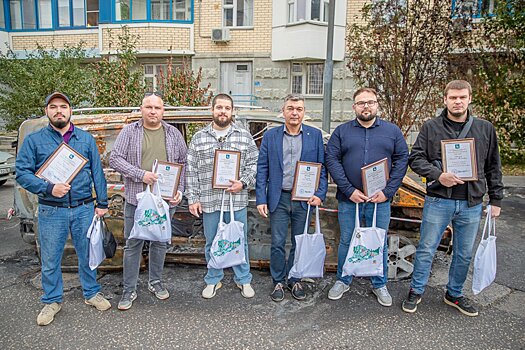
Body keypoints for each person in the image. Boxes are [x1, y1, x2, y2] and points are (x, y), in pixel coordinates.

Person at [402, 80, 503, 317]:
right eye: (453, 98)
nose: (458, 102)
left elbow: (493, 166)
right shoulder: (431, 127)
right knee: (427, 248)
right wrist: (439, 175)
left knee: (464, 252)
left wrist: (496, 200)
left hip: (472, 202)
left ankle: (454, 293)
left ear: (469, 99)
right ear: (445, 99)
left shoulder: (485, 128)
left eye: (462, 97)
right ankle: (416, 290)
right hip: (439, 199)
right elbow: (415, 159)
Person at [16, 92, 111, 326]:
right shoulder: (34, 141)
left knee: (87, 255)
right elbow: (22, 174)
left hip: (83, 208)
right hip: (51, 210)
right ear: (47, 111)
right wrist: (49, 188)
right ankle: (51, 301)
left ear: (70, 111)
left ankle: (91, 293)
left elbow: (97, 173)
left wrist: (102, 203)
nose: (59, 110)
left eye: (63, 106)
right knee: (50, 258)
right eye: (53, 107)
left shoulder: (85, 139)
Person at [325, 87, 408, 306]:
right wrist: (349, 190)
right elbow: (332, 160)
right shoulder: (342, 132)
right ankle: (343, 279)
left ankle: (379, 284)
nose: (366, 106)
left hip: (379, 199)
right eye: (361, 103)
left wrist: (388, 192)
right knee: (347, 240)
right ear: (354, 107)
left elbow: (401, 160)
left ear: (377, 105)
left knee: (378, 241)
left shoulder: (392, 132)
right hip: (349, 199)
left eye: (370, 102)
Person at [110, 93, 187, 310]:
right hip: (137, 198)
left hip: (165, 200)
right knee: (133, 244)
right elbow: (115, 158)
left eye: (157, 108)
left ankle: (156, 282)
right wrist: (140, 174)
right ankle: (129, 290)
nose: (153, 111)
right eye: (149, 107)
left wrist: (179, 189)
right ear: (141, 109)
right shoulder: (130, 132)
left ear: (163, 111)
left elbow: (183, 162)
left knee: (160, 243)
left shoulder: (173, 133)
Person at [255, 93, 328, 302]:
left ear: (304, 112)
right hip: (279, 197)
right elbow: (262, 169)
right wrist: (261, 198)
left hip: (304, 200)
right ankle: (278, 281)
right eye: (290, 108)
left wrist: (320, 194)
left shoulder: (314, 136)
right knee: (277, 242)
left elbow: (322, 170)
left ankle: (295, 278)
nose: (294, 113)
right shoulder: (271, 136)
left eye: (299, 109)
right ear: (283, 111)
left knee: (299, 242)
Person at [185, 93, 258, 299]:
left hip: (237, 200)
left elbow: (254, 164)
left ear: (232, 111)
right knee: (212, 241)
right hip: (209, 200)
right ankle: (213, 279)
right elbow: (191, 170)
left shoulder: (243, 136)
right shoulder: (199, 138)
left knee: (239, 240)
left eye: (227, 108)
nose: (223, 111)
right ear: (213, 110)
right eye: (219, 107)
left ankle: (243, 279)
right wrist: (193, 198)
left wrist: (243, 182)